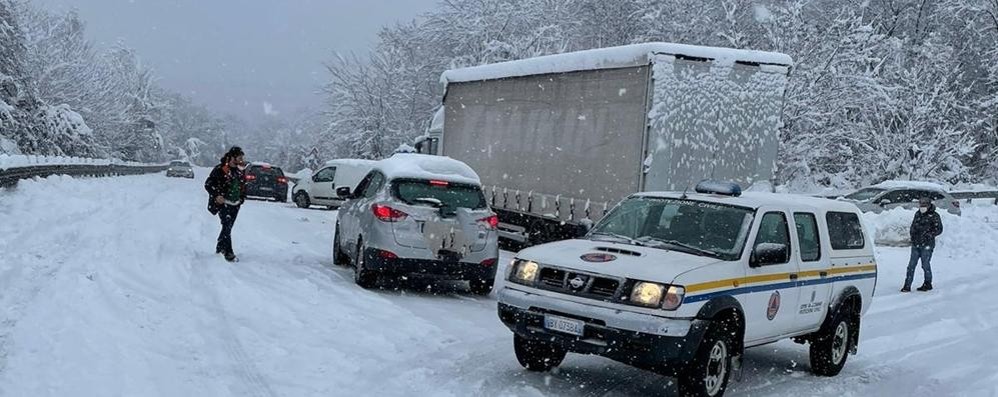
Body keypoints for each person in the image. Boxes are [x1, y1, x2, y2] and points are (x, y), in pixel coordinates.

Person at [205, 146, 246, 262]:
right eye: (239, 157)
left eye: (241, 158)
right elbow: (208, 184)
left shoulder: (239, 171)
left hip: (235, 204)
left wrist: (242, 198)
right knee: (227, 225)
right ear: (231, 158)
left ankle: (220, 245)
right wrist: (217, 195)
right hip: (223, 205)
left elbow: (243, 186)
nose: (241, 160)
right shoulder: (220, 169)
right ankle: (228, 252)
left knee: (227, 227)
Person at [902, 197, 943, 292]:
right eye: (921, 205)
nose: (922, 207)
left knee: (925, 265)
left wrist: (929, 234)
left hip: (927, 245)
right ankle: (907, 285)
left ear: (929, 205)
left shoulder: (934, 215)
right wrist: (913, 236)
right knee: (911, 266)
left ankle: (928, 283)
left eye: (924, 205)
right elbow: (913, 227)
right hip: (916, 244)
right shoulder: (917, 214)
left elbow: (939, 229)